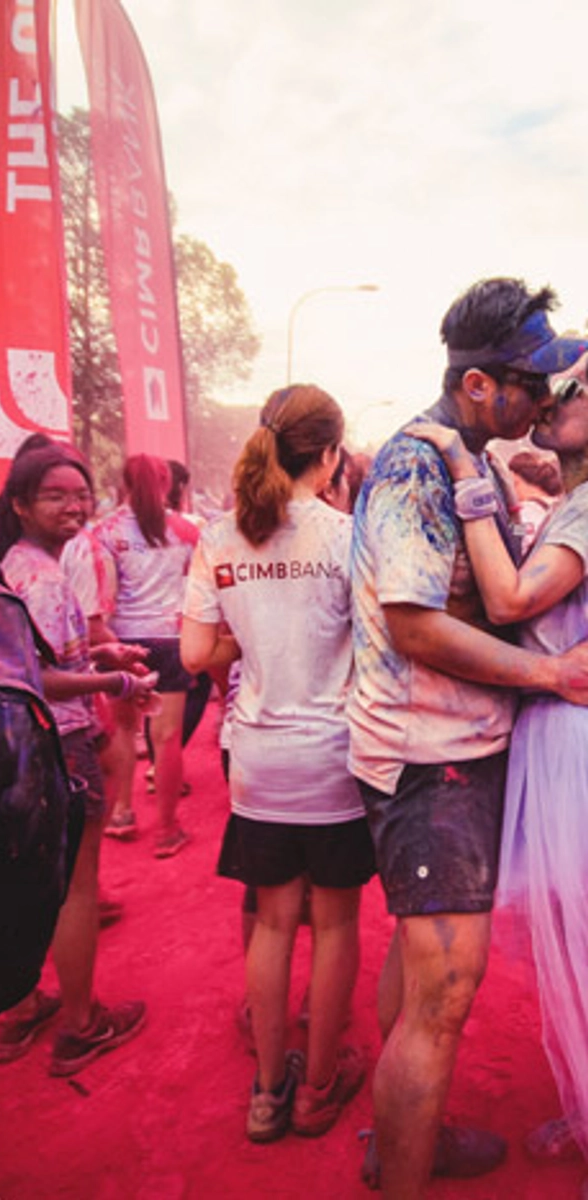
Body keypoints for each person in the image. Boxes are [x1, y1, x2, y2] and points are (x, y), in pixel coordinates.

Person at [348, 276, 588, 1199]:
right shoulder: (418, 465)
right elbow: (414, 624)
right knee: (444, 996)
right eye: (534, 383)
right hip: (427, 759)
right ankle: (405, 1158)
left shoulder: (471, 460)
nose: (546, 401)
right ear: (481, 385)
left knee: (418, 970)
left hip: (450, 749)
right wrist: (551, 674)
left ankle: (409, 1135)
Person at [409, 354, 588, 1197]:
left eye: (577, 390)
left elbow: (513, 600)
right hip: (556, 734)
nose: (556, 399)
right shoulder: (570, 500)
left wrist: (460, 472)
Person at [181, 385, 374, 1143]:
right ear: (329, 457)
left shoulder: (220, 537)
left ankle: (266, 1091)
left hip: (255, 760)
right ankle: (318, 1088)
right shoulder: (348, 537)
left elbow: (196, 652)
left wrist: (250, 643)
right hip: (333, 756)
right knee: (335, 925)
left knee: (271, 923)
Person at [0, 443, 151, 1075]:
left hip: (17, 740)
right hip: (58, 739)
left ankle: (21, 1005)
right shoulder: (45, 579)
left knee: (28, 878)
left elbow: (51, 661)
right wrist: (116, 686)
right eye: (55, 496)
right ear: (20, 503)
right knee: (77, 886)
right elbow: (43, 681)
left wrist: (102, 659)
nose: (73, 507)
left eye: (80, 494)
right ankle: (81, 1023)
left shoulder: (13, 566)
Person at [95, 454, 198, 856]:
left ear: (124, 482)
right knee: (166, 736)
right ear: (166, 483)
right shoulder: (187, 531)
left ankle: (122, 811)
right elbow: (196, 587)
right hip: (170, 639)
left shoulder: (104, 531)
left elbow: (106, 595)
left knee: (123, 728)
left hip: (121, 641)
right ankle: (167, 829)